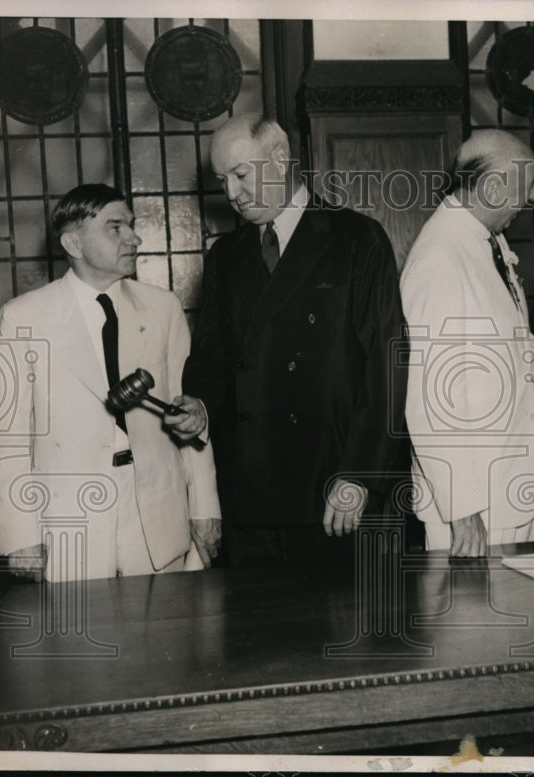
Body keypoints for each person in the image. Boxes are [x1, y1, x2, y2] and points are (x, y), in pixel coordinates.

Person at [183, 114, 407, 568]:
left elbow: (387, 366)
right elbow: (211, 357)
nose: (231, 194)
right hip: (249, 497)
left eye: (241, 175)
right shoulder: (225, 257)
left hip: (332, 489)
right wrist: (199, 406)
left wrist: (360, 475)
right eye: (222, 180)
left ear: (280, 159)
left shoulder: (356, 239)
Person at [0, 184, 221, 582]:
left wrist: (206, 508)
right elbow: (8, 438)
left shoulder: (163, 307)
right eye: (115, 228)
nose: (134, 237)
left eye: (131, 225)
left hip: (157, 519)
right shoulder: (23, 317)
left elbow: (189, 413)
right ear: (74, 243)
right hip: (70, 525)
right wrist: (17, 535)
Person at [400, 129, 534, 556]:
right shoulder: (440, 256)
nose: (531, 196)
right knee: (479, 621)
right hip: (474, 504)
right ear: (493, 187)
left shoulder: (487, 242)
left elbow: (518, 339)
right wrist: (461, 507)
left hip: (508, 487)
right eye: (526, 184)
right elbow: (426, 393)